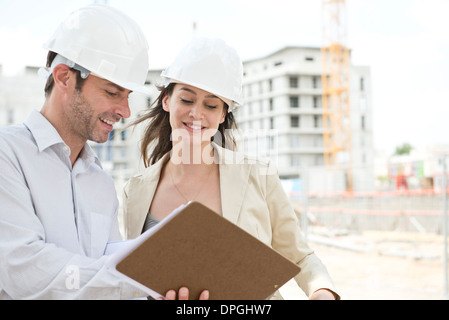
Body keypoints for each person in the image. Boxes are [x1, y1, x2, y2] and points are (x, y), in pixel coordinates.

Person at [0, 4, 207, 300]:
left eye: (127, 96)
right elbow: (24, 270)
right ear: (64, 78)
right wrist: (139, 278)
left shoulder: (100, 182)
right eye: (112, 92)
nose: (124, 111)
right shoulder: (6, 155)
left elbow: (107, 286)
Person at [122, 37, 340, 300]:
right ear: (167, 100)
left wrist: (322, 291)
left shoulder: (258, 177)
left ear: (223, 114)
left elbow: (300, 256)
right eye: (187, 100)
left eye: (211, 105)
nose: (196, 114)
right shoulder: (135, 191)